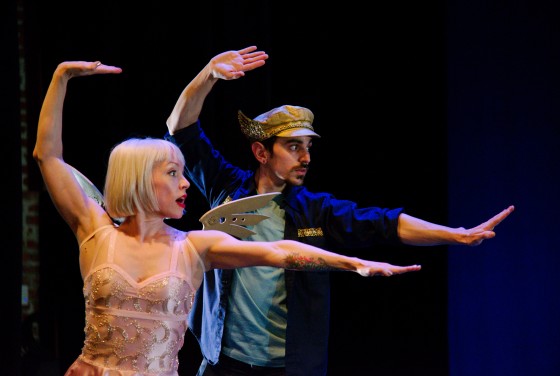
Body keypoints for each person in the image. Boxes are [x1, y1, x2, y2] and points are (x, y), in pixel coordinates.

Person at [33, 61, 423, 376]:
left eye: (184, 172)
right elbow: (48, 157)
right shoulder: (95, 231)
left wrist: (353, 263)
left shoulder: (192, 246)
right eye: (173, 173)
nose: (187, 183)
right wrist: (61, 77)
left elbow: (281, 252)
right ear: (138, 179)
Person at [164, 46, 516, 376]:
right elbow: (180, 128)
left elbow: (385, 224)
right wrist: (209, 74)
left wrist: (456, 235)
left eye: (307, 147)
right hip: (225, 362)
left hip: (291, 366)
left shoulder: (315, 210)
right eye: (293, 147)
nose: (306, 157)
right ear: (261, 153)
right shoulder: (226, 190)